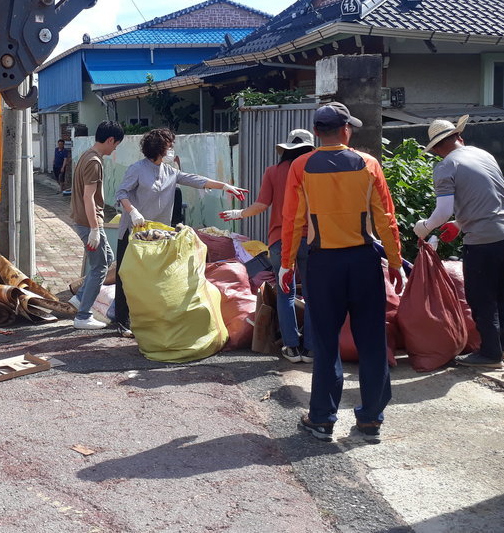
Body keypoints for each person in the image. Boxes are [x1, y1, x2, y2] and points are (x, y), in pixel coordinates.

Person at [280, 102, 404, 442]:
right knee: (372, 341)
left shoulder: (301, 166)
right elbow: (386, 219)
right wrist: (395, 262)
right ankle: (370, 420)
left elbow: (293, 220)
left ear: (317, 133)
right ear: (346, 129)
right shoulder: (368, 164)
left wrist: (287, 264)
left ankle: (321, 418)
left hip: (323, 264)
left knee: (324, 341)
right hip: (364, 261)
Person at [412, 116, 504, 368]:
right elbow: (488, 195)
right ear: (459, 138)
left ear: (438, 148)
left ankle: (489, 354)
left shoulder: (445, 167)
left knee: (480, 295)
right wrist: (460, 224)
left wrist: (425, 227)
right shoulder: (482, 154)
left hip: (486, 239)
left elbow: (443, 212)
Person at [113, 128, 248, 338]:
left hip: (158, 235)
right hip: (134, 231)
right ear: (159, 148)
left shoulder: (170, 172)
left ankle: (148, 318)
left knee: (152, 276)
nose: (171, 150)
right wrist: (133, 211)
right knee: (126, 275)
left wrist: (225, 186)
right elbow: (121, 192)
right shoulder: (137, 169)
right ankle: (122, 320)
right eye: (169, 146)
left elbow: (195, 179)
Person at [221, 128, 316, 363]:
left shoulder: (274, 171)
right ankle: (311, 349)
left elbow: (261, 205)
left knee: (285, 292)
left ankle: (291, 347)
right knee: (314, 295)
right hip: (312, 240)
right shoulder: (316, 171)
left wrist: (237, 214)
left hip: (280, 240)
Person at [69, 121, 124, 330]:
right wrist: (94, 229)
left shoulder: (86, 155)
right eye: (116, 144)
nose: (115, 148)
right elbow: (88, 198)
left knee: (107, 258)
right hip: (89, 222)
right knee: (101, 266)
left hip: (84, 220)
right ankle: (83, 315)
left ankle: (79, 298)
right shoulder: (94, 162)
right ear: (110, 140)